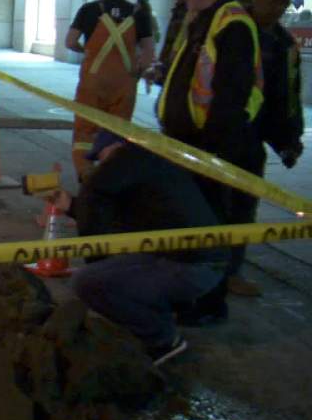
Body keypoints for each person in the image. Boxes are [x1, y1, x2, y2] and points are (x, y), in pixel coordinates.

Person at [47, 130, 228, 365]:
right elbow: (122, 216)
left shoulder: (122, 165)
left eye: (102, 157)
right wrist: (72, 205)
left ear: (116, 148)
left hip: (191, 265)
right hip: (195, 259)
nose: (101, 165)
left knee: (88, 282)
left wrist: (98, 266)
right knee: (103, 275)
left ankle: (162, 340)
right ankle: (156, 316)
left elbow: (97, 208)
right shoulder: (149, 166)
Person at [157, 0, 264, 325]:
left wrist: (211, 156)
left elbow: (230, 101)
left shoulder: (231, 24)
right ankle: (191, 297)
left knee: (210, 233)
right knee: (192, 232)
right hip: (191, 148)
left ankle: (207, 304)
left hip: (212, 152)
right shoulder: (202, 19)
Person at [224, 0, 305, 297]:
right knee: (205, 204)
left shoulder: (284, 45)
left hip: (249, 140)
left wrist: (289, 139)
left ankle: (230, 272)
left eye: (284, 2)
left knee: (242, 206)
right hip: (215, 134)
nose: (278, 8)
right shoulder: (230, 27)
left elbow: (285, 97)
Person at [64, 0, 156, 182]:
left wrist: (86, 51)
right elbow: (148, 52)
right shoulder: (139, 13)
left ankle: (86, 176)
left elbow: (69, 42)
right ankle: (110, 180)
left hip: (92, 83)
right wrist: (140, 71)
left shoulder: (89, 10)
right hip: (123, 85)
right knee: (116, 134)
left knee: (85, 133)